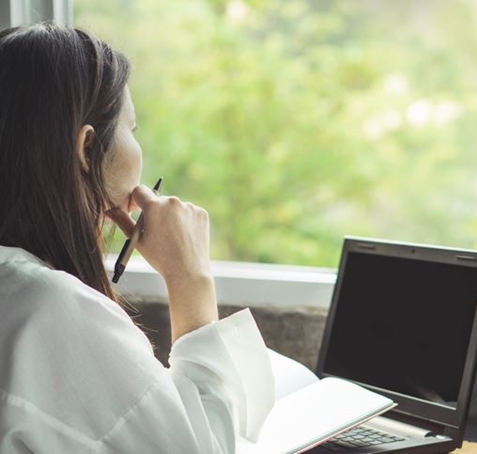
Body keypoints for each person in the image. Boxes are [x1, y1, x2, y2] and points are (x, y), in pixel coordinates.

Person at [0, 22, 275, 453]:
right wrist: (191, 278)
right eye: (133, 129)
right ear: (88, 149)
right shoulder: (50, 309)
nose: (137, 149)